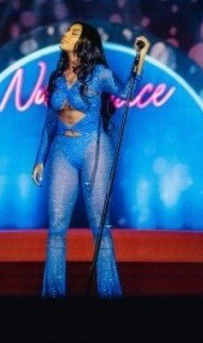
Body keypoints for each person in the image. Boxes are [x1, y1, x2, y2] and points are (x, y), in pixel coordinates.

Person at [31, 21, 150, 298]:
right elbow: (50, 123)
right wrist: (40, 159)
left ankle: (109, 293)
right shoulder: (57, 78)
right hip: (62, 149)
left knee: (99, 225)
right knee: (56, 226)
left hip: (94, 147)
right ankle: (53, 294)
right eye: (67, 31)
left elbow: (127, 92)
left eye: (73, 33)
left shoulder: (99, 74)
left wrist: (141, 57)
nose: (65, 34)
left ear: (85, 42)